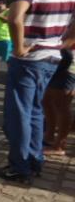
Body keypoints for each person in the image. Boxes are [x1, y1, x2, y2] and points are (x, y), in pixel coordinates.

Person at [0, 0, 75, 181]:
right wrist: (66, 42)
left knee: (19, 113)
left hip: (29, 59)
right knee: (36, 111)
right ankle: (35, 160)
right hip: (53, 57)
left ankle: (20, 167)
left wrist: (19, 48)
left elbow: (15, 18)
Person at [43, 17, 75, 156]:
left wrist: (50, 46)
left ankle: (59, 145)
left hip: (69, 62)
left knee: (61, 104)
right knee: (47, 100)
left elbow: (68, 39)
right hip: (58, 59)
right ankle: (49, 136)